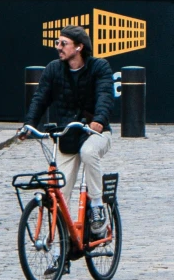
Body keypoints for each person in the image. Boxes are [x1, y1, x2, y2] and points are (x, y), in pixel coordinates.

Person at [27, 26, 113, 234]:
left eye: (63, 43)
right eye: (57, 43)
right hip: (67, 136)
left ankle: (97, 206)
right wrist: (28, 124)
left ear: (79, 47)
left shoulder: (99, 67)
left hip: (95, 133)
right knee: (60, 194)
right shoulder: (54, 69)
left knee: (89, 152)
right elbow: (40, 98)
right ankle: (62, 248)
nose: (58, 47)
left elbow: (104, 95)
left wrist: (99, 120)